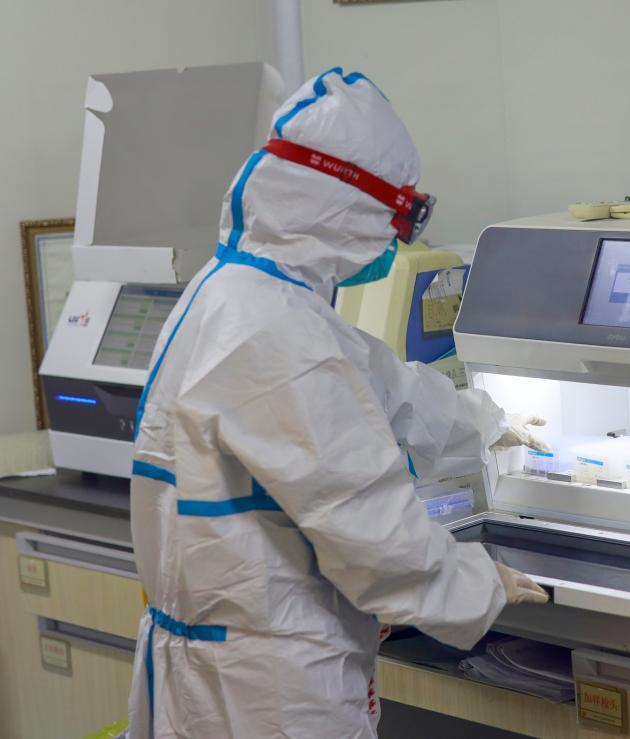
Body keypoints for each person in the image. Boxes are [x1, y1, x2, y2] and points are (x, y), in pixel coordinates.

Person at [127, 67, 549, 739]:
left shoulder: (236, 290)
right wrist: (478, 583)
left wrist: (487, 421)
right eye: (399, 217)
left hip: (215, 664)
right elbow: (366, 520)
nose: (398, 239)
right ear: (344, 210)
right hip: (269, 687)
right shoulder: (274, 330)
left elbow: (376, 379)